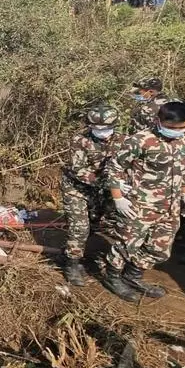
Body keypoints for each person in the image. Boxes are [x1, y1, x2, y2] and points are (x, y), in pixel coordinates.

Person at [102, 101, 185, 302]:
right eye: (171, 128)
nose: (177, 131)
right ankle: (112, 277)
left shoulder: (184, 141)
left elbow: (184, 170)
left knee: (159, 249)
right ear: (159, 121)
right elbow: (114, 168)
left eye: (182, 127)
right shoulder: (140, 140)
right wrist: (118, 198)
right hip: (140, 204)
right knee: (126, 244)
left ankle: (133, 275)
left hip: (170, 207)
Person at [61, 106, 120, 286]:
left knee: (106, 223)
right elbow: (78, 170)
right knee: (79, 227)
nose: (102, 132)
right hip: (77, 189)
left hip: (104, 191)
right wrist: (109, 183)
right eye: (97, 128)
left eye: (106, 128)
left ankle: (108, 260)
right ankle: (72, 264)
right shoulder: (80, 140)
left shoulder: (123, 141)